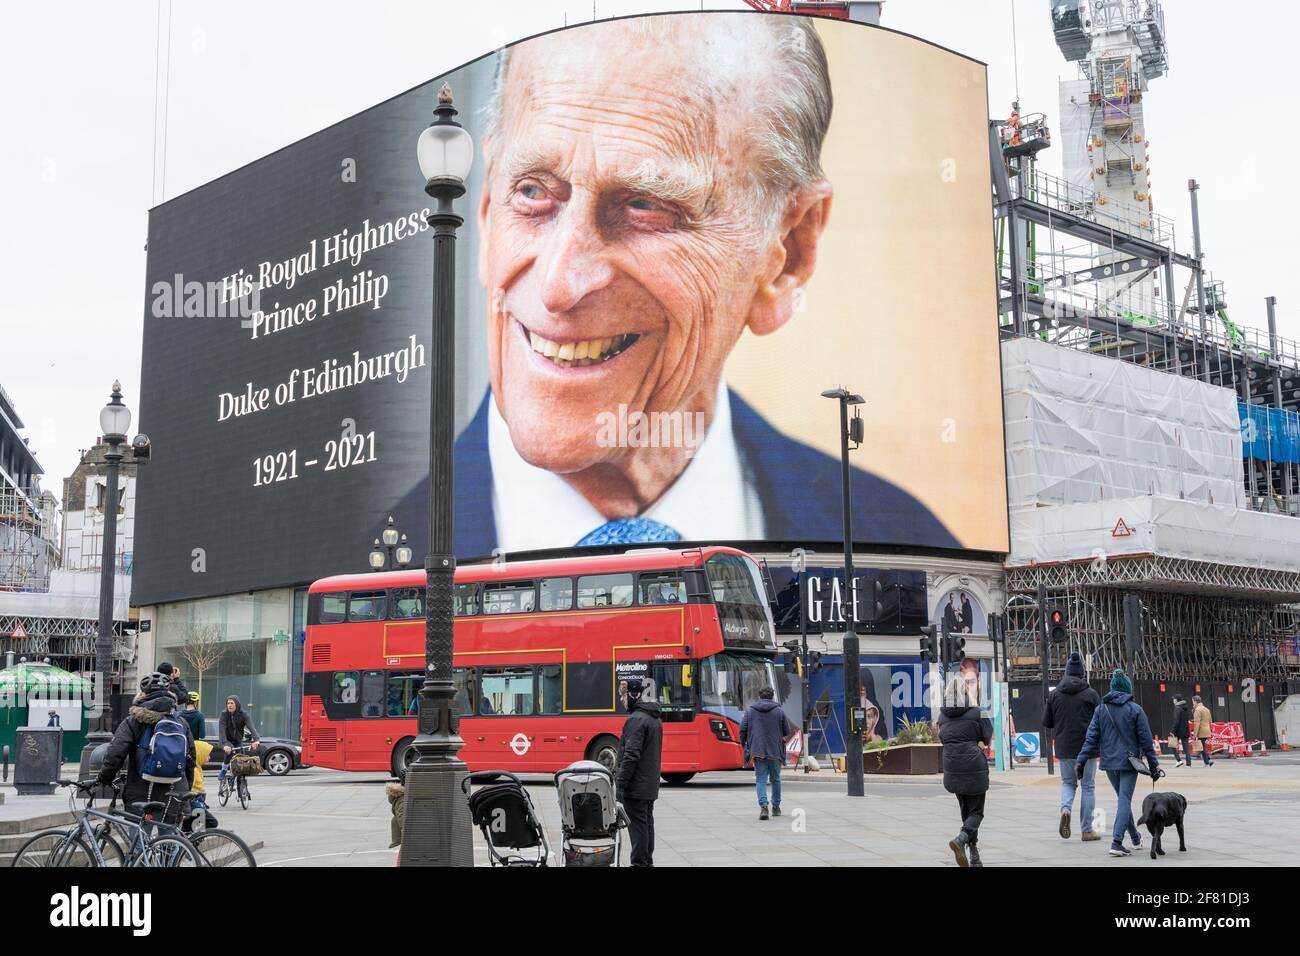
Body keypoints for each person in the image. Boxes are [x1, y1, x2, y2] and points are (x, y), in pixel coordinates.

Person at [396, 14, 959, 555]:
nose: (558, 285)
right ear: (489, 208)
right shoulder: (369, 556)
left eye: (645, 206)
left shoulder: (902, 535)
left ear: (788, 254)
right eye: (533, 193)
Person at [1075, 669, 1160, 857]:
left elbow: (1091, 739)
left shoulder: (1101, 710)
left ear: (1112, 689)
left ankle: (1136, 838)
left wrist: (1081, 761)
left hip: (1109, 764)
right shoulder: (1135, 709)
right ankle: (1116, 842)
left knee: (1123, 800)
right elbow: (1146, 741)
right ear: (1127, 689)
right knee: (1124, 800)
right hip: (1129, 763)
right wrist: (1153, 766)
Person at [96, 672, 197, 808]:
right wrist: (186, 787)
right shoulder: (181, 722)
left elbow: (116, 753)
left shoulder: (133, 721)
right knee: (169, 828)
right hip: (175, 791)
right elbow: (191, 759)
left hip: (141, 792)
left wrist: (105, 778)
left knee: (138, 827)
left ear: (142, 695)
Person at [1041, 651, 1102, 842]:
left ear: (1066, 673)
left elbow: (1047, 722)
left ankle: (1066, 809)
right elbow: (1101, 721)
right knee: (1088, 786)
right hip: (1088, 749)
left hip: (1064, 747)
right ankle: (1086, 830)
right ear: (1082, 674)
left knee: (1068, 783)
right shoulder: (1091, 694)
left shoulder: (1055, 695)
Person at [938, 673, 993, 867]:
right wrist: (978, 741)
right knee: (976, 812)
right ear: (965, 691)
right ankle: (961, 840)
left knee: (966, 811)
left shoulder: (942, 715)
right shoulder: (978, 711)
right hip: (973, 766)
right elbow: (988, 735)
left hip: (952, 767)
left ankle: (975, 855)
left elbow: (943, 738)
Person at [615, 677, 662, 867]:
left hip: (637, 784)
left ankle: (639, 863)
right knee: (646, 823)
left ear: (633, 695)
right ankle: (646, 861)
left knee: (637, 826)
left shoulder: (635, 720)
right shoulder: (653, 717)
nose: (621, 700)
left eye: (623, 695)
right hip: (649, 782)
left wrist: (621, 783)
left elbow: (631, 755)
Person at [739, 686, 791, 820]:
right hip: (775, 750)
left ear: (759, 696)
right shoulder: (779, 711)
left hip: (758, 750)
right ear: (772, 696)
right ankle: (776, 807)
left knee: (760, 779)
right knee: (776, 779)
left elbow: (742, 730)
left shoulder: (751, 711)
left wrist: (745, 744)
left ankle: (763, 807)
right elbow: (786, 731)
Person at [217, 695, 260, 781]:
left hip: (237, 740)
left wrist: (256, 740)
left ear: (237, 704)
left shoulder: (244, 714)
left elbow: (251, 727)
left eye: (232, 703)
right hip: (226, 740)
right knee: (229, 752)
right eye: (228, 703)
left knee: (242, 757)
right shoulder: (224, 714)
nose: (229, 705)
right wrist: (225, 744)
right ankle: (224, 769)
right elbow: (221, 730)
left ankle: (240, 780)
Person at [1192, 695, 1214, 766]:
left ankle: (1207, 762)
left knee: (1201, 747)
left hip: (1201, 731)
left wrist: (1195, 734)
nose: (1192, 703)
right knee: (1202, 746)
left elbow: (1197, 723)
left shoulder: (1197, 710)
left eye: (1192, 701)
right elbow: (1210, 721)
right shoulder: (1207, 709)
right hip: (1207, 730)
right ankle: (1208, 760)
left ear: (1195, 701)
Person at [1171, 694, 1192, 768]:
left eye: (1174, 699)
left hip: (1178, 731)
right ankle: (1188, 764)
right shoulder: (1185, 707)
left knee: (1172, 745)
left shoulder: (1177, 708)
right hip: (1185, 730)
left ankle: (1179, 760)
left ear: (1176, 700)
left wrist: (1172, 731)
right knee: (1186, 749)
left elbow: (1176, 721)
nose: (1173, 700)